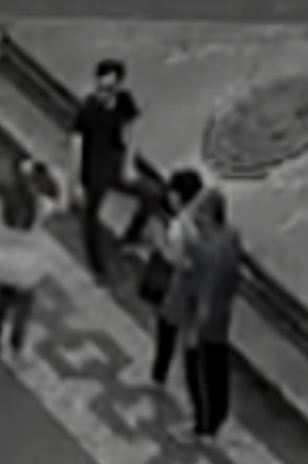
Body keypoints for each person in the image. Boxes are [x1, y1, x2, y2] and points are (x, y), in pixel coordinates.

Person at [71, 60, 147, 277]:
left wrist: (129, 163)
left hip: (114, 159)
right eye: (101, 87)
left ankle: (131, 237)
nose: (104, 93)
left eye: (109, 89)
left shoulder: (124, 101)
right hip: (93, 166)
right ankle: (96, 263)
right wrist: (75, 182)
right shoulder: (88, 109)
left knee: (152, 193)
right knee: (91, 215)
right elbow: (76, 146)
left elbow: (131, 130)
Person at [178, 191, 244, 439]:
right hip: (223, 312)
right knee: (218, 367)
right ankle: (218, 414)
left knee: (198, 372)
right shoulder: (231, 235)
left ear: (210, 216)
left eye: (201, 213)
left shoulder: (207, 250)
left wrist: (194, 332)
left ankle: (203, 424)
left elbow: (205, 294)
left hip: (204, 318)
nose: (196, 217)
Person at [0, 152, 58, 362]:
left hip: (4, 265)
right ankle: (16, 347)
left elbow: (0, 189)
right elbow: (54, 194)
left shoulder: (2, 212)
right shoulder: (38, 211)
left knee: (0, 302)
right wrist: (40, 172)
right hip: (28, 270)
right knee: (22, 310)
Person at [137, 170, 205, 394]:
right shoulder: (164, 217)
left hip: (181, 287)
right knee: (167, 332)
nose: (172, 198)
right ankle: (160, 374)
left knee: (173, 333)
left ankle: (162, 374)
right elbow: (164, 249)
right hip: (170, 285)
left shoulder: (192, 220)